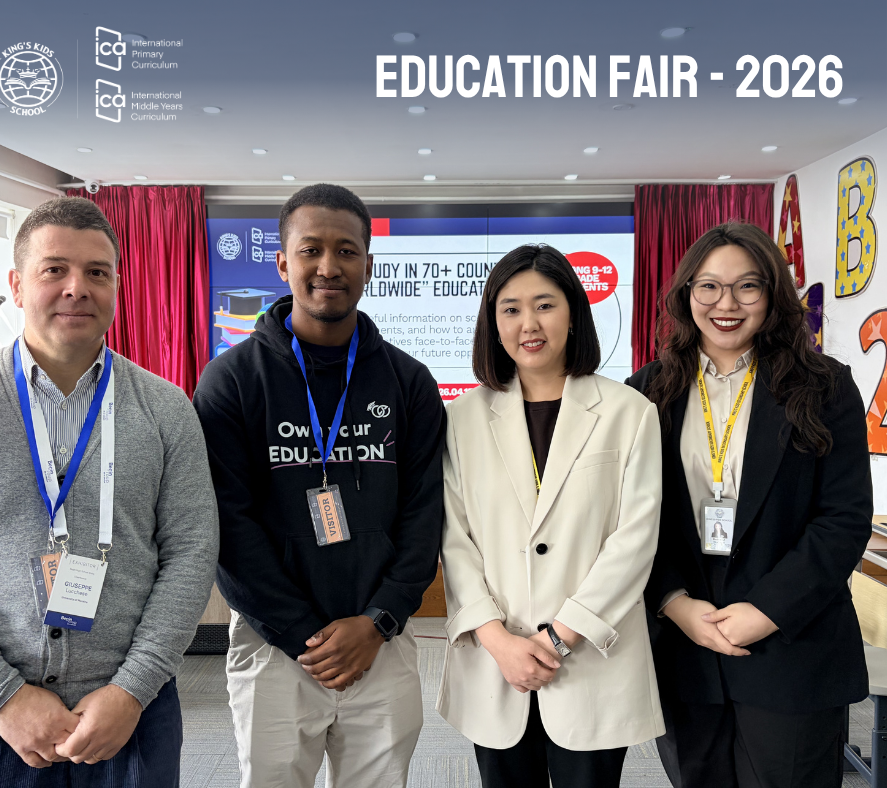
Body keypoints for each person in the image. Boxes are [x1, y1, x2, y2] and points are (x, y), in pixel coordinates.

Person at [0, 197, 219, 787]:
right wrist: (3, 697)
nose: (77, 288)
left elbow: (191, 554)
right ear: (16, 285)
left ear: (117, 287)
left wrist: (132, 688)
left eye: (97, 272)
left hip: (132, 718)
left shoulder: (166, 409)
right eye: (55, 269)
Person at [193, 183, 445, 788]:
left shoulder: (409, 381)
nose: (328, 266)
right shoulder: (231, 382)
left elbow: (424, 515)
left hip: (381, 641)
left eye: (346, 251)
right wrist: (302, 632)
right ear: (283, 263)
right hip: (274, 642)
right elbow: (227, 525)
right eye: (311, 250)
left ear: (368, 264)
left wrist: (378, 621)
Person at [626, 222, 873, 788]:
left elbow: (843, 519)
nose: (726, 304)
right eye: (709, 286)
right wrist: (672, 602)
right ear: (686, 294)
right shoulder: (645, 391)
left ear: (772, 293)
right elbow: (629, 519)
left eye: (747, 286)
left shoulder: (824, 386)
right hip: (685, 644)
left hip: (791, 643)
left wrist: (765, 611)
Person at [436, 244, 664, 788]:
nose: (529, 324)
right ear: (493, 323)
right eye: (511, 309)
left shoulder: (629, 412)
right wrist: (498, 640)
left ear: (573, 313)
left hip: (591, 660)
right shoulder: (462, 418)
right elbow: (454, 539)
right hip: (497, 663)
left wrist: (558, 638)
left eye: (545, 305)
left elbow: (635, 540)